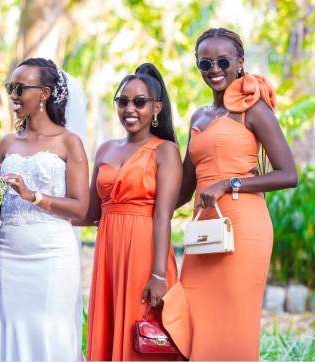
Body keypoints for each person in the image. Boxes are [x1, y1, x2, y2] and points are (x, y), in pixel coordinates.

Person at [162, 28, 298, 360]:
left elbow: (288, 175)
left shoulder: (254, 110)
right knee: (194, 309)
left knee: (234, 320)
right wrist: (142, 206)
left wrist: (229, 183)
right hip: (203, 228)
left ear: (239, 62)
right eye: (205, 63)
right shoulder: (199, 117)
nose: (215, 70)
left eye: (223, 61)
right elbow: (184, 186)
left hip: (244, 226)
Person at [0, 57, 89, 361]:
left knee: (49, 330)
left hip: (52, 255)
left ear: (44, 93)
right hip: (7, 254)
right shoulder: (5, 143)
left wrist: (33, 195)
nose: (13, 95)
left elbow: (80, 208)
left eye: (19, 88)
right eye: (10, 87)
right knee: (8, 326)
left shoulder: (69, 142)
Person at [76, 63, 181, 360]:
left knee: (143, 335)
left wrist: (159, 275)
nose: (129, 109)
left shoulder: (165, 151)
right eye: (122, 101)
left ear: (156, 108)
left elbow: (163, 216)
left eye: (139, 102)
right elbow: (90, 213)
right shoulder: (105, 150)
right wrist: (40, 204)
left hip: (146, 254)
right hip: (109, 252)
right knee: (111, 331)